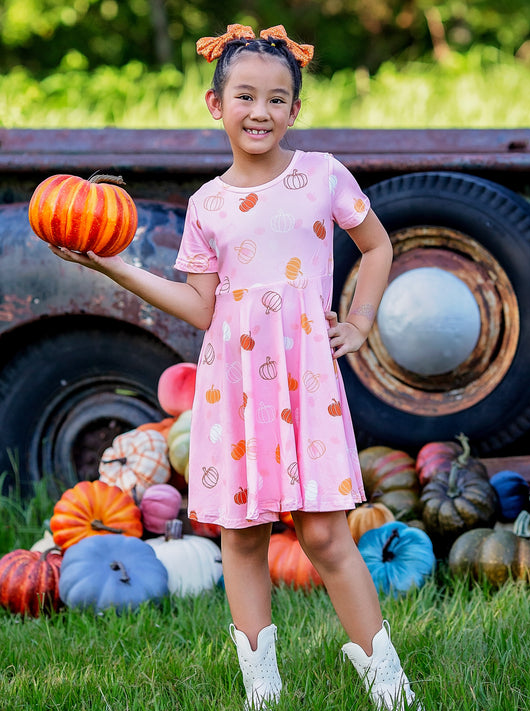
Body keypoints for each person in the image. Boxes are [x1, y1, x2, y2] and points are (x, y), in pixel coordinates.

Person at [50, 23, 423, 711]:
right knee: (242, 535)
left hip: (304, 380)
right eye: (244, 96)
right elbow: (198, 306)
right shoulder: (207, 206)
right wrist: (114, 264)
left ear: (294, 111)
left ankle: (389, 683)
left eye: (276, 99)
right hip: (236, 388)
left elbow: (375, 247)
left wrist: (360, 320)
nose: (260, 111)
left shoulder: (321, 174)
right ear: (213, 104)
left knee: (322, 533)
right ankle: (262, 687)